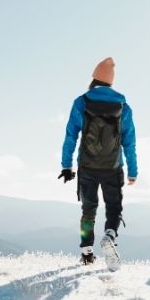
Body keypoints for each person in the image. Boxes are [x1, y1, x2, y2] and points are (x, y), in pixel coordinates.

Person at [59, 57, 137, 271]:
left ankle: (86, 252)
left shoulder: (82, 102)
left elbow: (70, 135)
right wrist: (133, 171)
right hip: (113, 167)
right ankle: (110, 235)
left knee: (88, 209)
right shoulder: (123, 107)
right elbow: (129, 141)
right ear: (111, 82)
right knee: (114, 207)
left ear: (93, 79)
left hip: (87, 166)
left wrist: (66, 166)